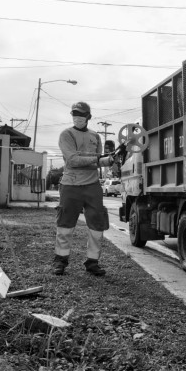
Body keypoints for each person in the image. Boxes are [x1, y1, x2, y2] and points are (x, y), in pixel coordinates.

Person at [52, 102, 115, 276]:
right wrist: (97, 159)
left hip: (92, 185)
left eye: (81, 114)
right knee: (65, 223)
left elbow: (100, 160)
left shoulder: (96, 136)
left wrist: (109, 160)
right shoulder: (66, 134)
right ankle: (60, 261)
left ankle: (92, 262)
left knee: (97, 224)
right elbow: (72, 160)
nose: (77, 117)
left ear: (88, 117)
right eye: (74, 114)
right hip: (70, 184)